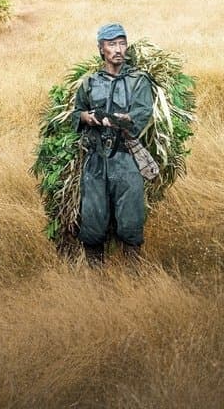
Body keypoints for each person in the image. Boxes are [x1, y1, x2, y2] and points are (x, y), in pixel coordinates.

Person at [70, 23, 154, 266]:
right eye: (111, 44)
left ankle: (134, 279)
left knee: (131, 222)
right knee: (93, 223)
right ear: (101, 49)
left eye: (122, 43)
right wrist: (89, 117)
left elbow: (141, 114)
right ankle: (96, 282)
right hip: (96, 161)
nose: (118, 49)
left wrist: (118, 120)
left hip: (126, 158)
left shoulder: (139, 81)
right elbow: (77, 112)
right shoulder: (89, 82)